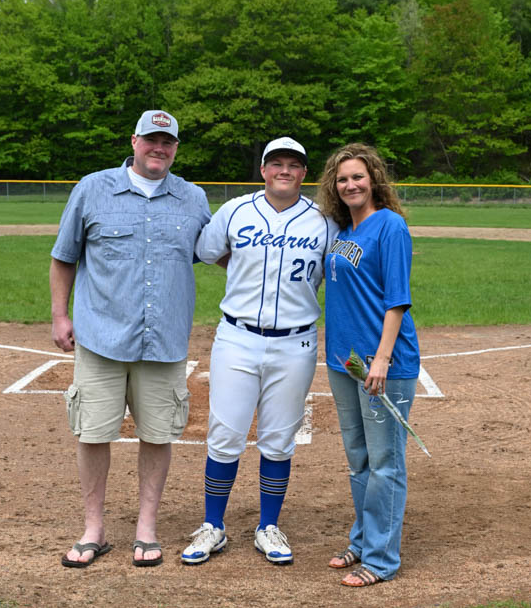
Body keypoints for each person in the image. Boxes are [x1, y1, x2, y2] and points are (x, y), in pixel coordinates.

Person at [51, 110, 211, 569]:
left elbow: (219, 253)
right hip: (100, 338)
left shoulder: (193, 198)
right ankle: (94, 529)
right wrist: (60, 315)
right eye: (152, 139)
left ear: (175, 148)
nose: (159, 148)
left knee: (158, 435)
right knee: (93, 433)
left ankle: (146, 527)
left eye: (168, 142)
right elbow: (64, 257)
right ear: (135, 141)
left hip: (163, 341)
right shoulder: (92, 189)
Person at [181, 137, 338, 565]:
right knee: (225, 435)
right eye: (276, 163)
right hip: (237, 337)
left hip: (296, 343)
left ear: (304, 173)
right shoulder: (236, 210)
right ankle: (213, 525)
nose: (285, 170)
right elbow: (207, 251)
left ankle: (268, 526)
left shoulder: (325, 221)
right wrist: (241, 267)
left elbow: (340, 271)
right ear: (264, 170)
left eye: (294, 165)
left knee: (279, 439)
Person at [317, 143, 420, 587]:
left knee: (385, 463)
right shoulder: (343, 230)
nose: (350, 185)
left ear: (374, 179)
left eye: (357, 176)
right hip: (346, 362)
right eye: (342, 179)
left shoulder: (390, 226)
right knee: (359, 460)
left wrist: (382, 358)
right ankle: (362, 539)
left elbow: (397, 300)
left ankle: (380, 559)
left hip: (382, 363)